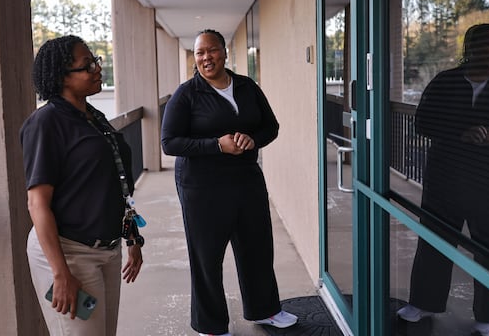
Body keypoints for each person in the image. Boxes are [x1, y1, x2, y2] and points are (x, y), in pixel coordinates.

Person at [161, 29, 298, 336]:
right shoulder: (187, 94)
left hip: (246, 180)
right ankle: (210, 325)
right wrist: (216, 145)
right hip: (202, 186)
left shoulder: (247, 87)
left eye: (211, 51)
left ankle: (265, 310)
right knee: (207, 255)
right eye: (199, 53)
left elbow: (270, 127)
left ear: (223, 52)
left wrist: (253, 139)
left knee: (257, 247)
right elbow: (169, 143)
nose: (206, 58)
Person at [20, 35, 144, 336]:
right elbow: (37, 204)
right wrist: (60, 273)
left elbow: (117, 181)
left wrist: (132, 238)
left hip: (107, 249)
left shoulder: (95, 118)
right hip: (69, 252)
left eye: (95, 61)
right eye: (86, 65)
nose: (97, 69)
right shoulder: (46, 123)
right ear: (62, 76)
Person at [397, 24, 489, 336]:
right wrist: (459, 134)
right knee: (434, 241)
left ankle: (487, 317)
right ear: (470, 48)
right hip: (445, 178)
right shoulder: (445, 81)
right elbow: (422, 122)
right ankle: (422, 303)